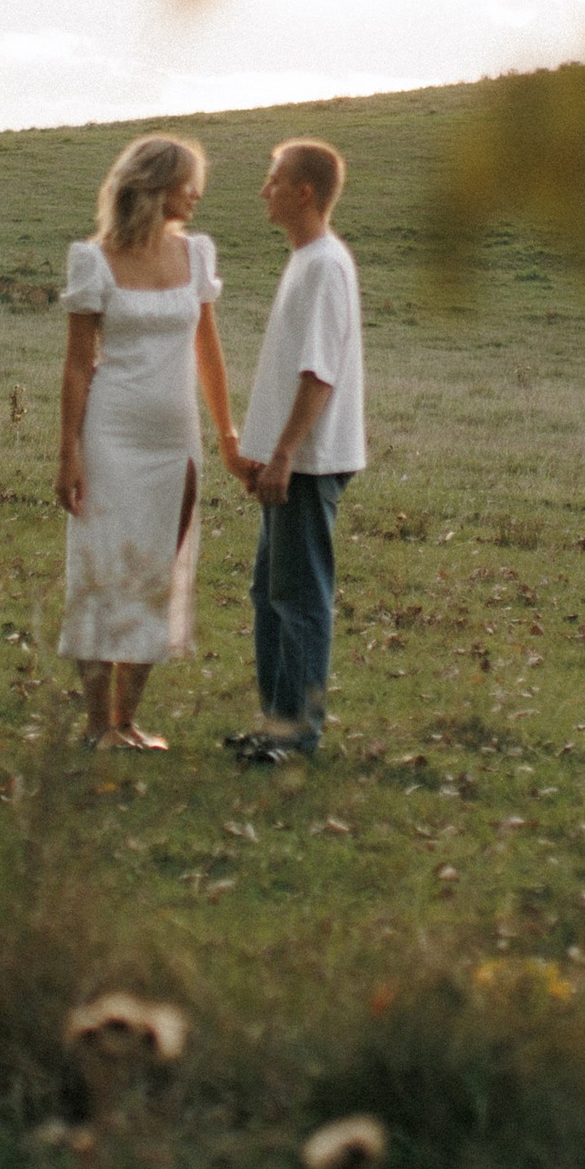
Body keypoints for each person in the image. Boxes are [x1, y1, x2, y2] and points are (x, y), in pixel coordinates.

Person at [56, 132, 248, 749]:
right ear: (155, 185)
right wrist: (69, 452)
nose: (196, 194)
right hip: (110, 435)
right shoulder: (93, 260)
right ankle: (94, 727)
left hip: (176, 439)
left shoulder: (197, 255)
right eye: (187, 181)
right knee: (103, 568)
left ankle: (127, 722)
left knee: (158, 573)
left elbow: (209, 353)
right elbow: (77, 363)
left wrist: (225, 431)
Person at [230, 138, 365, 765]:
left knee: (301, 599)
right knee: (270, 594)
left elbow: (319, 374)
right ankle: (276, 721)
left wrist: (284, 454)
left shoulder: (325, 265)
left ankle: (297, 736)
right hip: (289, 460)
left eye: (273, 178)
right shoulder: (305, 260)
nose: (265, 190)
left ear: (303, 192)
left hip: (309, 463)